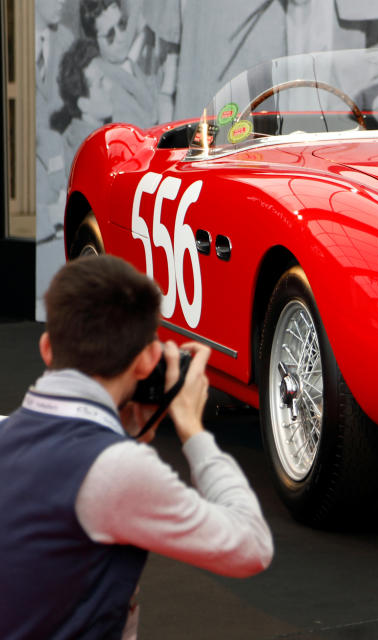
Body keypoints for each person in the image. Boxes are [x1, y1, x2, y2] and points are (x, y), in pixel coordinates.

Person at [0, 255, 273, 640]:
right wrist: (193, 429)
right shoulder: (115, 468)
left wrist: (125, 435)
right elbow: (251, 546)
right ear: (147, 361)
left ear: (47, 348)